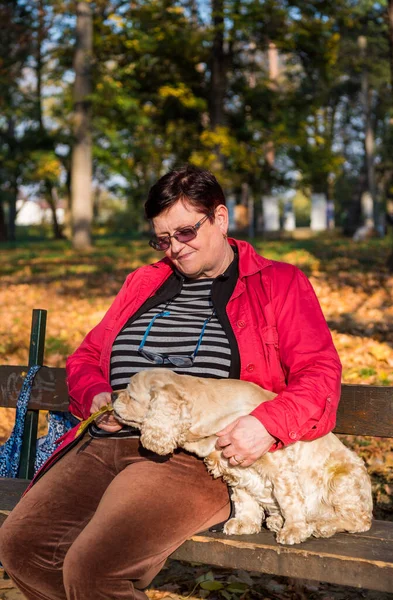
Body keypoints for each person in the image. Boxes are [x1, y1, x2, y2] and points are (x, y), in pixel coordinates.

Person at [0, 165, 342, 599]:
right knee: (23, 547)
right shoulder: (145, 281)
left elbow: (320, 374)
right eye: (162, 238)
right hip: (108, 439)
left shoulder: (277, 283)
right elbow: (86, 357)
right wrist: (97, 398)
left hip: (197, 455)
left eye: (185, 232)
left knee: (93, 568)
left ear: (220, 218)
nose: (174, 248)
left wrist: (267, 424)